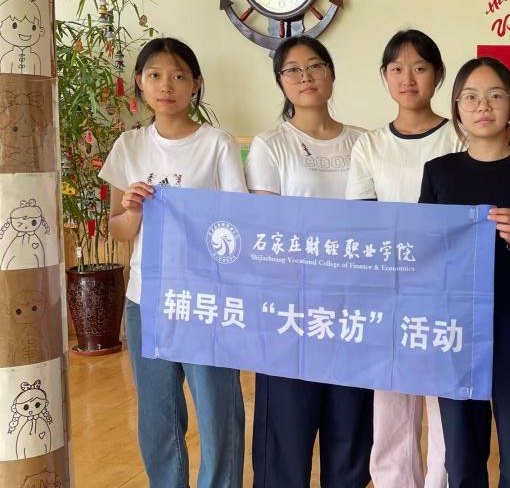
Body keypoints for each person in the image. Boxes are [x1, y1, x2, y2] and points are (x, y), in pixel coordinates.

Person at [100, 37, 246, 488]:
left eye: (180, 76)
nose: (167, 85)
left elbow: (238, 222)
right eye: (156, 75)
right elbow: (118, 229)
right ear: (140, 83)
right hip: (147, 300)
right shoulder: (129, 145)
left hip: (206, 300)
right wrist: (133, 210)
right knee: (157, 413)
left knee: (218, 410)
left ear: (196, 84)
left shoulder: (217, 144)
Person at [420, 57, 510, 487]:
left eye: (495, 95)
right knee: (462, 460)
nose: (483, 106)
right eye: (471, 97)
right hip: (456, 327)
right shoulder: (438, 173)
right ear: (457, 108)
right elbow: (425, 257)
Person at [246, 35, 373, 487]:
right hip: (292, 310)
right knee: (285, 435)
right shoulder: (270, 144)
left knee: (351, 433)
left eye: (316, 66)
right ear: (280, 81)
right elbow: (266, 232)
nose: (306, 77)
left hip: (354, 307)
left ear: (331, 74)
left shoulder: (365, 142)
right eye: (293, 70)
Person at [346, 29, 462, 488]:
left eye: (419, 68)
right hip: (387, 290)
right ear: (384, 76)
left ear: (438, 75)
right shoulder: (370, 145)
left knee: (444, 402)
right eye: (397, 69)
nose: (408, 78)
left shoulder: (458, 137)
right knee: (391, 401)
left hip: (444, 290)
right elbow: (362, 222)